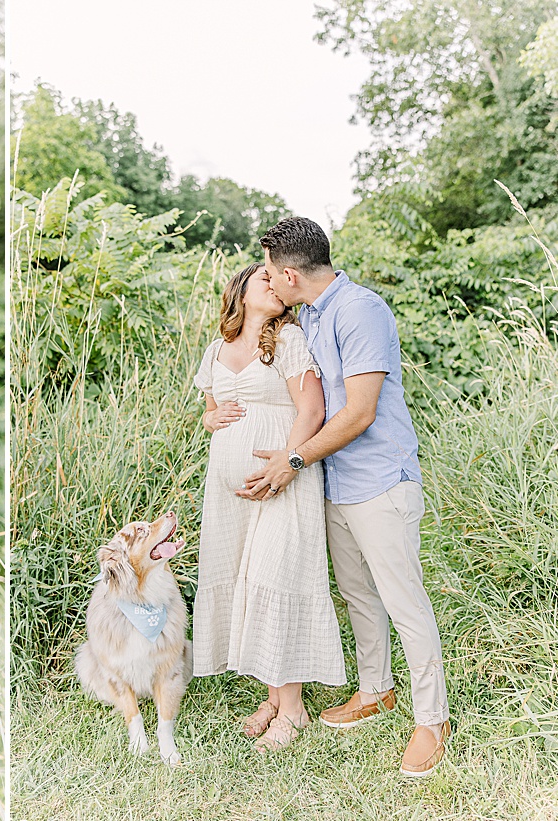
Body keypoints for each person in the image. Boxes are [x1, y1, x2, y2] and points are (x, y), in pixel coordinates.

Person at [244, 216, 451, 777]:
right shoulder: (310, 314)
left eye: (267, 270)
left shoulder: (359, 310)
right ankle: (376, 691)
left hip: (381, 481)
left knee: (405, 603)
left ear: (289, 273)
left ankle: (433, 721)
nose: (264, 279)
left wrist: (293, 461)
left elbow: (359, 412)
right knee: (359, 595)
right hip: (338, 482)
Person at [192, 262, 345, 752]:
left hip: (283, 479)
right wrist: (211, 419)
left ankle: (294, 708)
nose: (276, 284)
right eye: (265, 278)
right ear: (241, 291)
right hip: (227, 492)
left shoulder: (289, 340)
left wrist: (287, 464)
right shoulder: (218, 349)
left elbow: (313, 410)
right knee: (244, 581)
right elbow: (210, 410)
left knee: (276, 577)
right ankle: (274, 698)